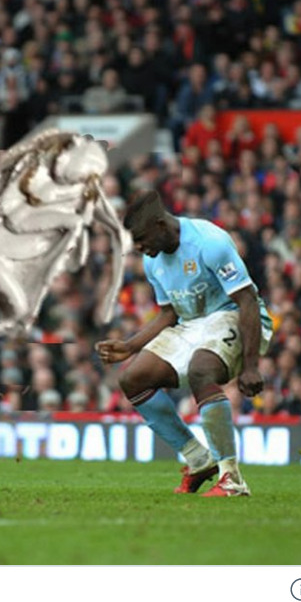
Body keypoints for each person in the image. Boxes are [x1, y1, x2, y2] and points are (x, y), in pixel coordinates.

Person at [96, 190, 273, 497]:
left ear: (160, 225)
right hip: (192, 324)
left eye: (141, 239)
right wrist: (130, 346)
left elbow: (246, 299)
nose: (139, 248)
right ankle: (199, 459)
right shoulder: (152, 262)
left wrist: (251, 366)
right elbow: (169, 313)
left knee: (201, 370)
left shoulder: (210, 242)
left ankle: (231, 479)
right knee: (133, 379)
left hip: (231, 314)